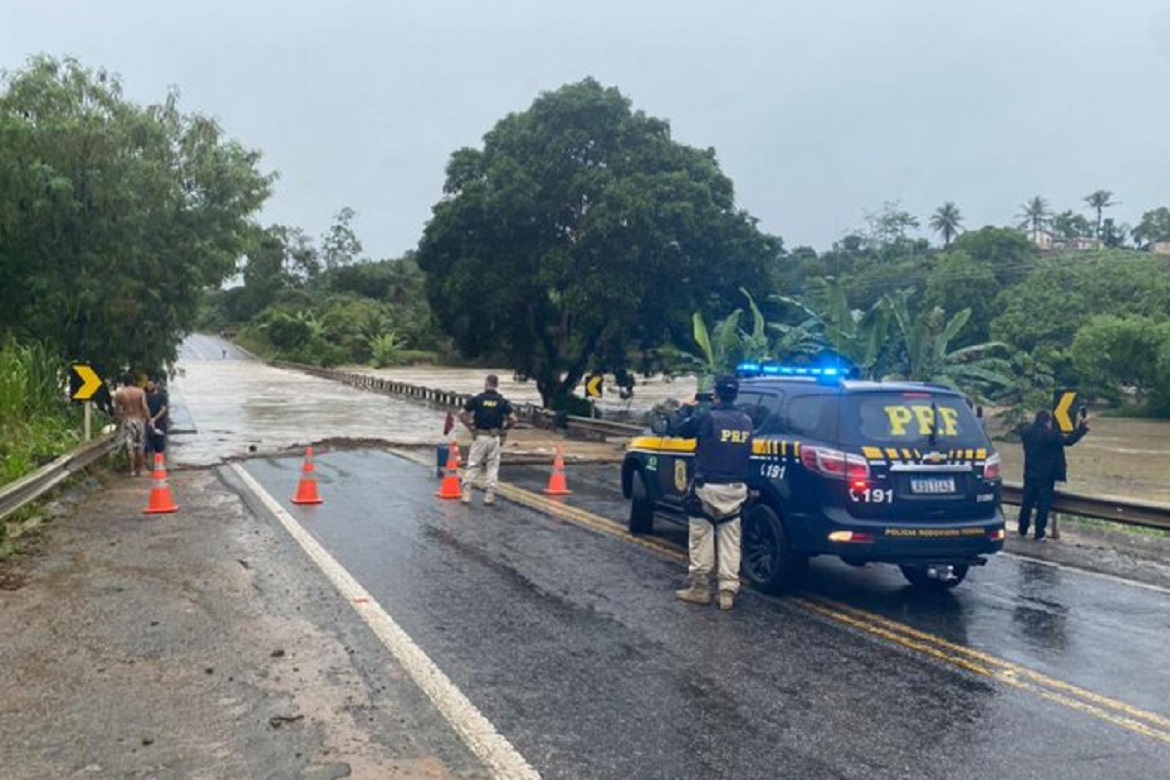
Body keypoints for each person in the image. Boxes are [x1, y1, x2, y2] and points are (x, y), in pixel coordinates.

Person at [669, 374, 754, 610]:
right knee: (730, 540)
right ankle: (727, 591)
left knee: (701, 538)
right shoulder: (747, 421)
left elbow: (678, 429)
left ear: (715, 393)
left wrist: (686, 408)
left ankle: (700, 588)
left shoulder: (708, 418)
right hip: (736, 489)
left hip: (707, 489)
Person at [1018, 408, 1089, 541]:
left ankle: (1022, 529)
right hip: (1046, 476)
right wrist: (1082, 428)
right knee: (1043, 506)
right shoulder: (1051, 435)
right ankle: (1039, 533)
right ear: (1048, 422)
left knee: (1027, 502)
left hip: (1029, 474)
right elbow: (1069, 441)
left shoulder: (1027, 433)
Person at [458, 374, 517, 506]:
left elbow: (461, 413)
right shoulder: (502, 401)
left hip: (480, 436)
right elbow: (514, 419)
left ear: (486, 384)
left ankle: (466, 494)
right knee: (492, 466)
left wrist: (470, 427)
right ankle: (489, 496)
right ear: (497, 385)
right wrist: (504, 430)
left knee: (473, 465)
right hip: (494, 437)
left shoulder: (478, 399)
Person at [112, 373, 150, 476]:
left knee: (130, 447)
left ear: (123, 382)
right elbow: (144, 406)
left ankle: (131, 470)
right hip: (139, 420)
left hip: (127, 421)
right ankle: (141, 469)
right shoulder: (140, 392)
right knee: (140, 445)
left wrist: (118, 424)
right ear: (133, 381)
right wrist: (149, 419)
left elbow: (117, 411)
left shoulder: (119, 394)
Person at [144, 378, 170, 461]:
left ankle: (161, 465)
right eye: (148, 385)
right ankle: (150, 465)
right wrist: (149, 420)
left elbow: (163, 409)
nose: (149, 387)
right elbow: (144, 409)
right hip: (148, 424)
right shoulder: (145, 396)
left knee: (160, 446)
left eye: (151, 385)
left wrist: (154, 419)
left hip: (160, 424)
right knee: (148, 445)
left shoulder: (161, 396)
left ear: (155, 385)